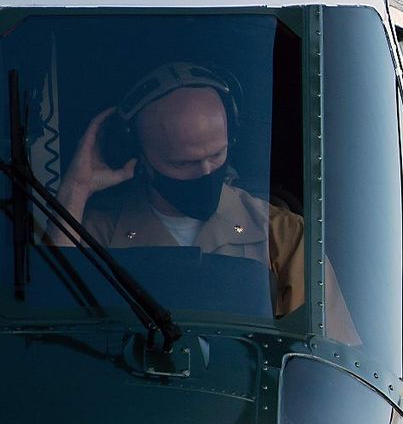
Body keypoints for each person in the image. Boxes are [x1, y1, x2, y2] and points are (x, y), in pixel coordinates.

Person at [46, 62, 358, 343]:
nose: (206, 173)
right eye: (182, 164)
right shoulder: (95, 233)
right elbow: (52, 329)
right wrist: (76, 189)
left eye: (216, 156)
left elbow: (328, 360)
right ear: (141, 156)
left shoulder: (284, 236)